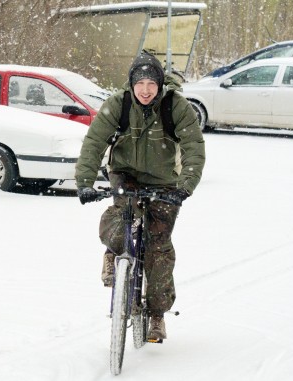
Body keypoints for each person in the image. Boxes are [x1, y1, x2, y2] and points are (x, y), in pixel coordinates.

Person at [74, 51, 205, 341]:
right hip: (125, 174)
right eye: (140, 83)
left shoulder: (176, 107)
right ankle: (113, 253)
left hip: (165, 183)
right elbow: (94, 141)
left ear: (160, 84)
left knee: (158, 248)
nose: (145, 89)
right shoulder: (118, 105)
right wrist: (84, 181)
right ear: (132, 84)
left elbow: (193, 146)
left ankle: (157, 314)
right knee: (122, 216)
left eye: (151, 83)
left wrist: (185, 186)